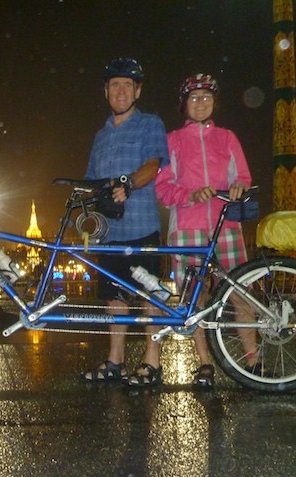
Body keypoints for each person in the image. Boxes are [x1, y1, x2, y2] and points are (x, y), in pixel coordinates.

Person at [155, 73, 260, 389]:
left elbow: (241, 176)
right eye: (194, 97)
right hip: (186, 228)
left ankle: (253, 359)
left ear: (214, 103)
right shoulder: (172, 140)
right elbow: (163, 188)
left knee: (241, 292)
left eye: (206, 97)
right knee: (193, 299)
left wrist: (240, 186)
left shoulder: (227, 137)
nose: (200, 103)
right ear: (184, 104)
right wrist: (189, 195)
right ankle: (204, 362)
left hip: (225, 225)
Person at [79, 57, 169, 387]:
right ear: (105, 91)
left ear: (138, 91)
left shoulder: (150, 124)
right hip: (109, 230)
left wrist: (129, 183)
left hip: (141, 224)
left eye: (127, 85)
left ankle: (152, 363)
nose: (120, 90)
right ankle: (114, 361)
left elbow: (153, 164)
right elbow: (91, 180)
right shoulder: (100, 136)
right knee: (114, 296)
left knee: (148, 294)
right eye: (114, 85)